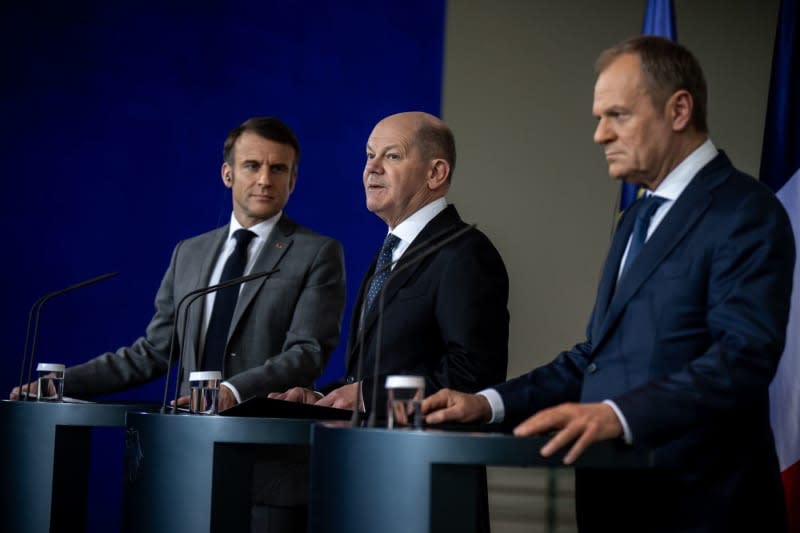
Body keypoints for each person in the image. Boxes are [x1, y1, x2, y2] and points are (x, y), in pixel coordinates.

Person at [423, 36, 795, 532]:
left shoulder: (745, 211)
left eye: (616, 115)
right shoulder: (635, 219)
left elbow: (741, 358)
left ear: (678, 109)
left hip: (703, 506)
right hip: (613, 502)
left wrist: (617, 415)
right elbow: (594, 357)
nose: (600, 135)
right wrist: (488, 403)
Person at [11, 117, 346, 412]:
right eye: (252, 165)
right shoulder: (189, 253)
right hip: (186, 433)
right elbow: (153, 353)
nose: (264, 179)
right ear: (227, 173)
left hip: (266, 436)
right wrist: (60, 384)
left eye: (278, 169)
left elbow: (306, 353)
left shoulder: (316, 253)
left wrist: (232, 391)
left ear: (293, 180)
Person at [271, 110, 509, 419]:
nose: (372, 167)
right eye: (370, 155)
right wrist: (322, 398)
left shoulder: (465, 253)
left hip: (424, 460)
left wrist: (368, 395)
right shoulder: (391, 250)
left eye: (392, 156)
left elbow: (474, 377)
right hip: (370, 451)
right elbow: (372, 375)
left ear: (435, 173)